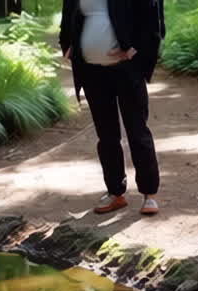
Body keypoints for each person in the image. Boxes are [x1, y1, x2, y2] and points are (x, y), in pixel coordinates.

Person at [59, 0, 165, 216]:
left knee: (137, 131)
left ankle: (149, 194)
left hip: (127, 70)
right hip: (91, 72)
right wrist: (67, 45)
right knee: (106, 135)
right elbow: (69, 14)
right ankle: (115, 192)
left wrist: (136, 51)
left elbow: (152, 19)